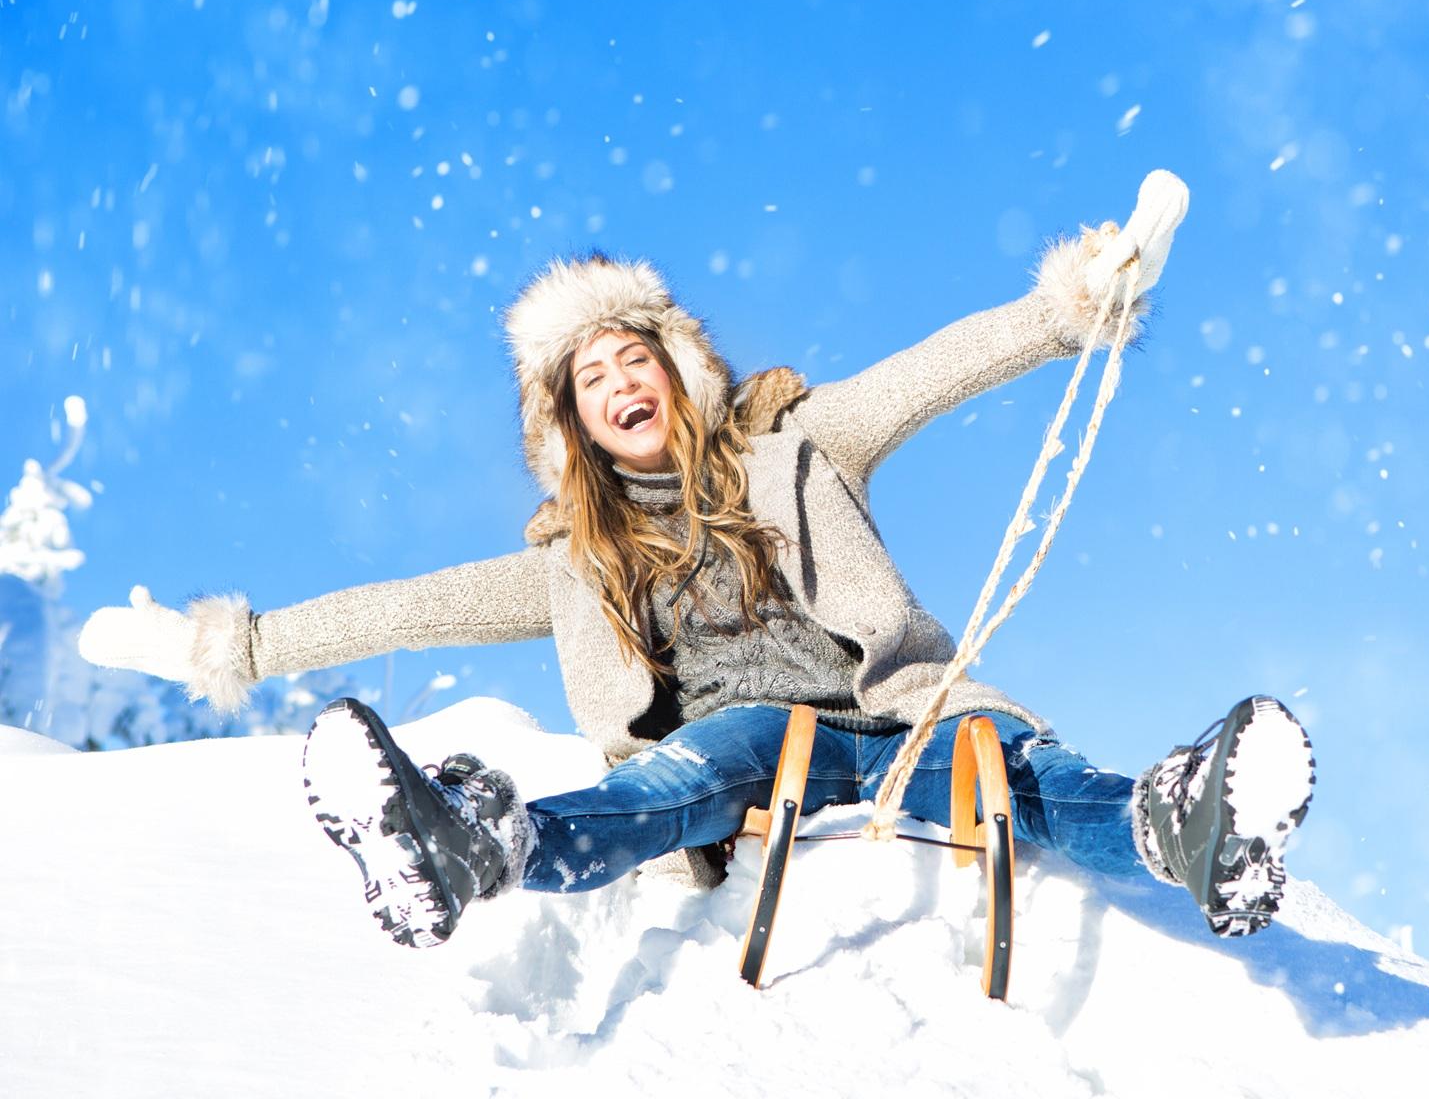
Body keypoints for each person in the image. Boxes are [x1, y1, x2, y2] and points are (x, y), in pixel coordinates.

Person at [78, 171, 1317, 951]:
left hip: (895, 714)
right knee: (674, 778)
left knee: (1016, 767)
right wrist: (233, 645)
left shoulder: (798, 441)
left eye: (636, 358)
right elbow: (408, 607)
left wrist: (1072, 304)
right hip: (748, 747)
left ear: (678, 372)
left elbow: (934, 368)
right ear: (571, 423)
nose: (621, 381)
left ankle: (1186, 826)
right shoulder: (577, 558)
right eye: (592, 377)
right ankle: (470, 842)